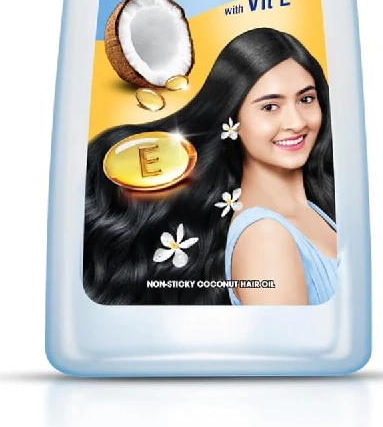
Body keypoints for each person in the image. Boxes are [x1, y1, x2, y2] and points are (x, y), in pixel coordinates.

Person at [84, 27, 337, 305]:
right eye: (269, 107)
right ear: (233, 120)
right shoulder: (265, 238)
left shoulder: (315, 209)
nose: (297, 122)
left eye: (306, 99)